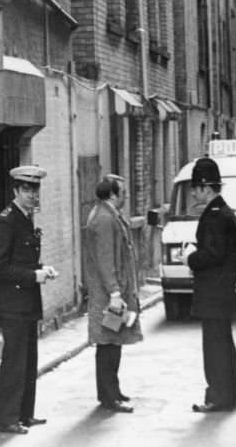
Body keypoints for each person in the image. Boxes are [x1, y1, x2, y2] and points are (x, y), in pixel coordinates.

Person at [0, 165, 58, 435]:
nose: (32, 195)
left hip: (28, 302)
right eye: (27, 190)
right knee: (14, 362)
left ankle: (24, 414)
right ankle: (6, 419)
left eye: (35, 189)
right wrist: (34, 275)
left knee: (29, 361)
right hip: (13, 304)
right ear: (16, 191)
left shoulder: (26, 218)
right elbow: (0, 267)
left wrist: (43, 269)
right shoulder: (6, 221)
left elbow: (24, 259)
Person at [184, 156, 236, 413]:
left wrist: (190, 255)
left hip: (213, 291)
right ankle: (229, 396)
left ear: (206, 188)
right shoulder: (225, 212)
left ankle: (217, 397)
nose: (193, 193)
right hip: (223, 290)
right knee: (224, 343)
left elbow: (212, 254)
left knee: (214, 347)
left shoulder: (214, 216)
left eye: (195, 189)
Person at [85, 173, 142, 413]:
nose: (126, 197)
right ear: (112, 195)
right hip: (109, 295)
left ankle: (112, 391)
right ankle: (109, 396)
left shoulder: (106, 215)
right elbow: (106, 259)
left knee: (113, 341)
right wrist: (115, 292)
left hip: (111, 292)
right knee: (108, 342)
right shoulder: (105, 219)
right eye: (123, 193)